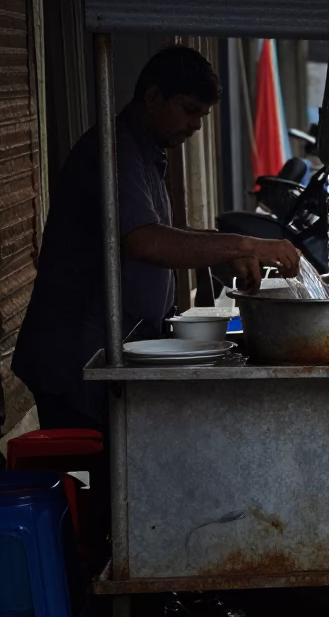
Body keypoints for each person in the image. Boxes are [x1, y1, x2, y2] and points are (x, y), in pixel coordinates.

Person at [13, 46, 301, 432]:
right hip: (77, 354)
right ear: (152, 97)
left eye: (203, 115)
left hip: (114, 345)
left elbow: (167, 235)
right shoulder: (113, 151)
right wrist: (246, 245)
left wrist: (226, 250)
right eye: (188, 109)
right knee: (98, 478)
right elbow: (146, 242)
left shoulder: (145, 154)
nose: (196, 125)